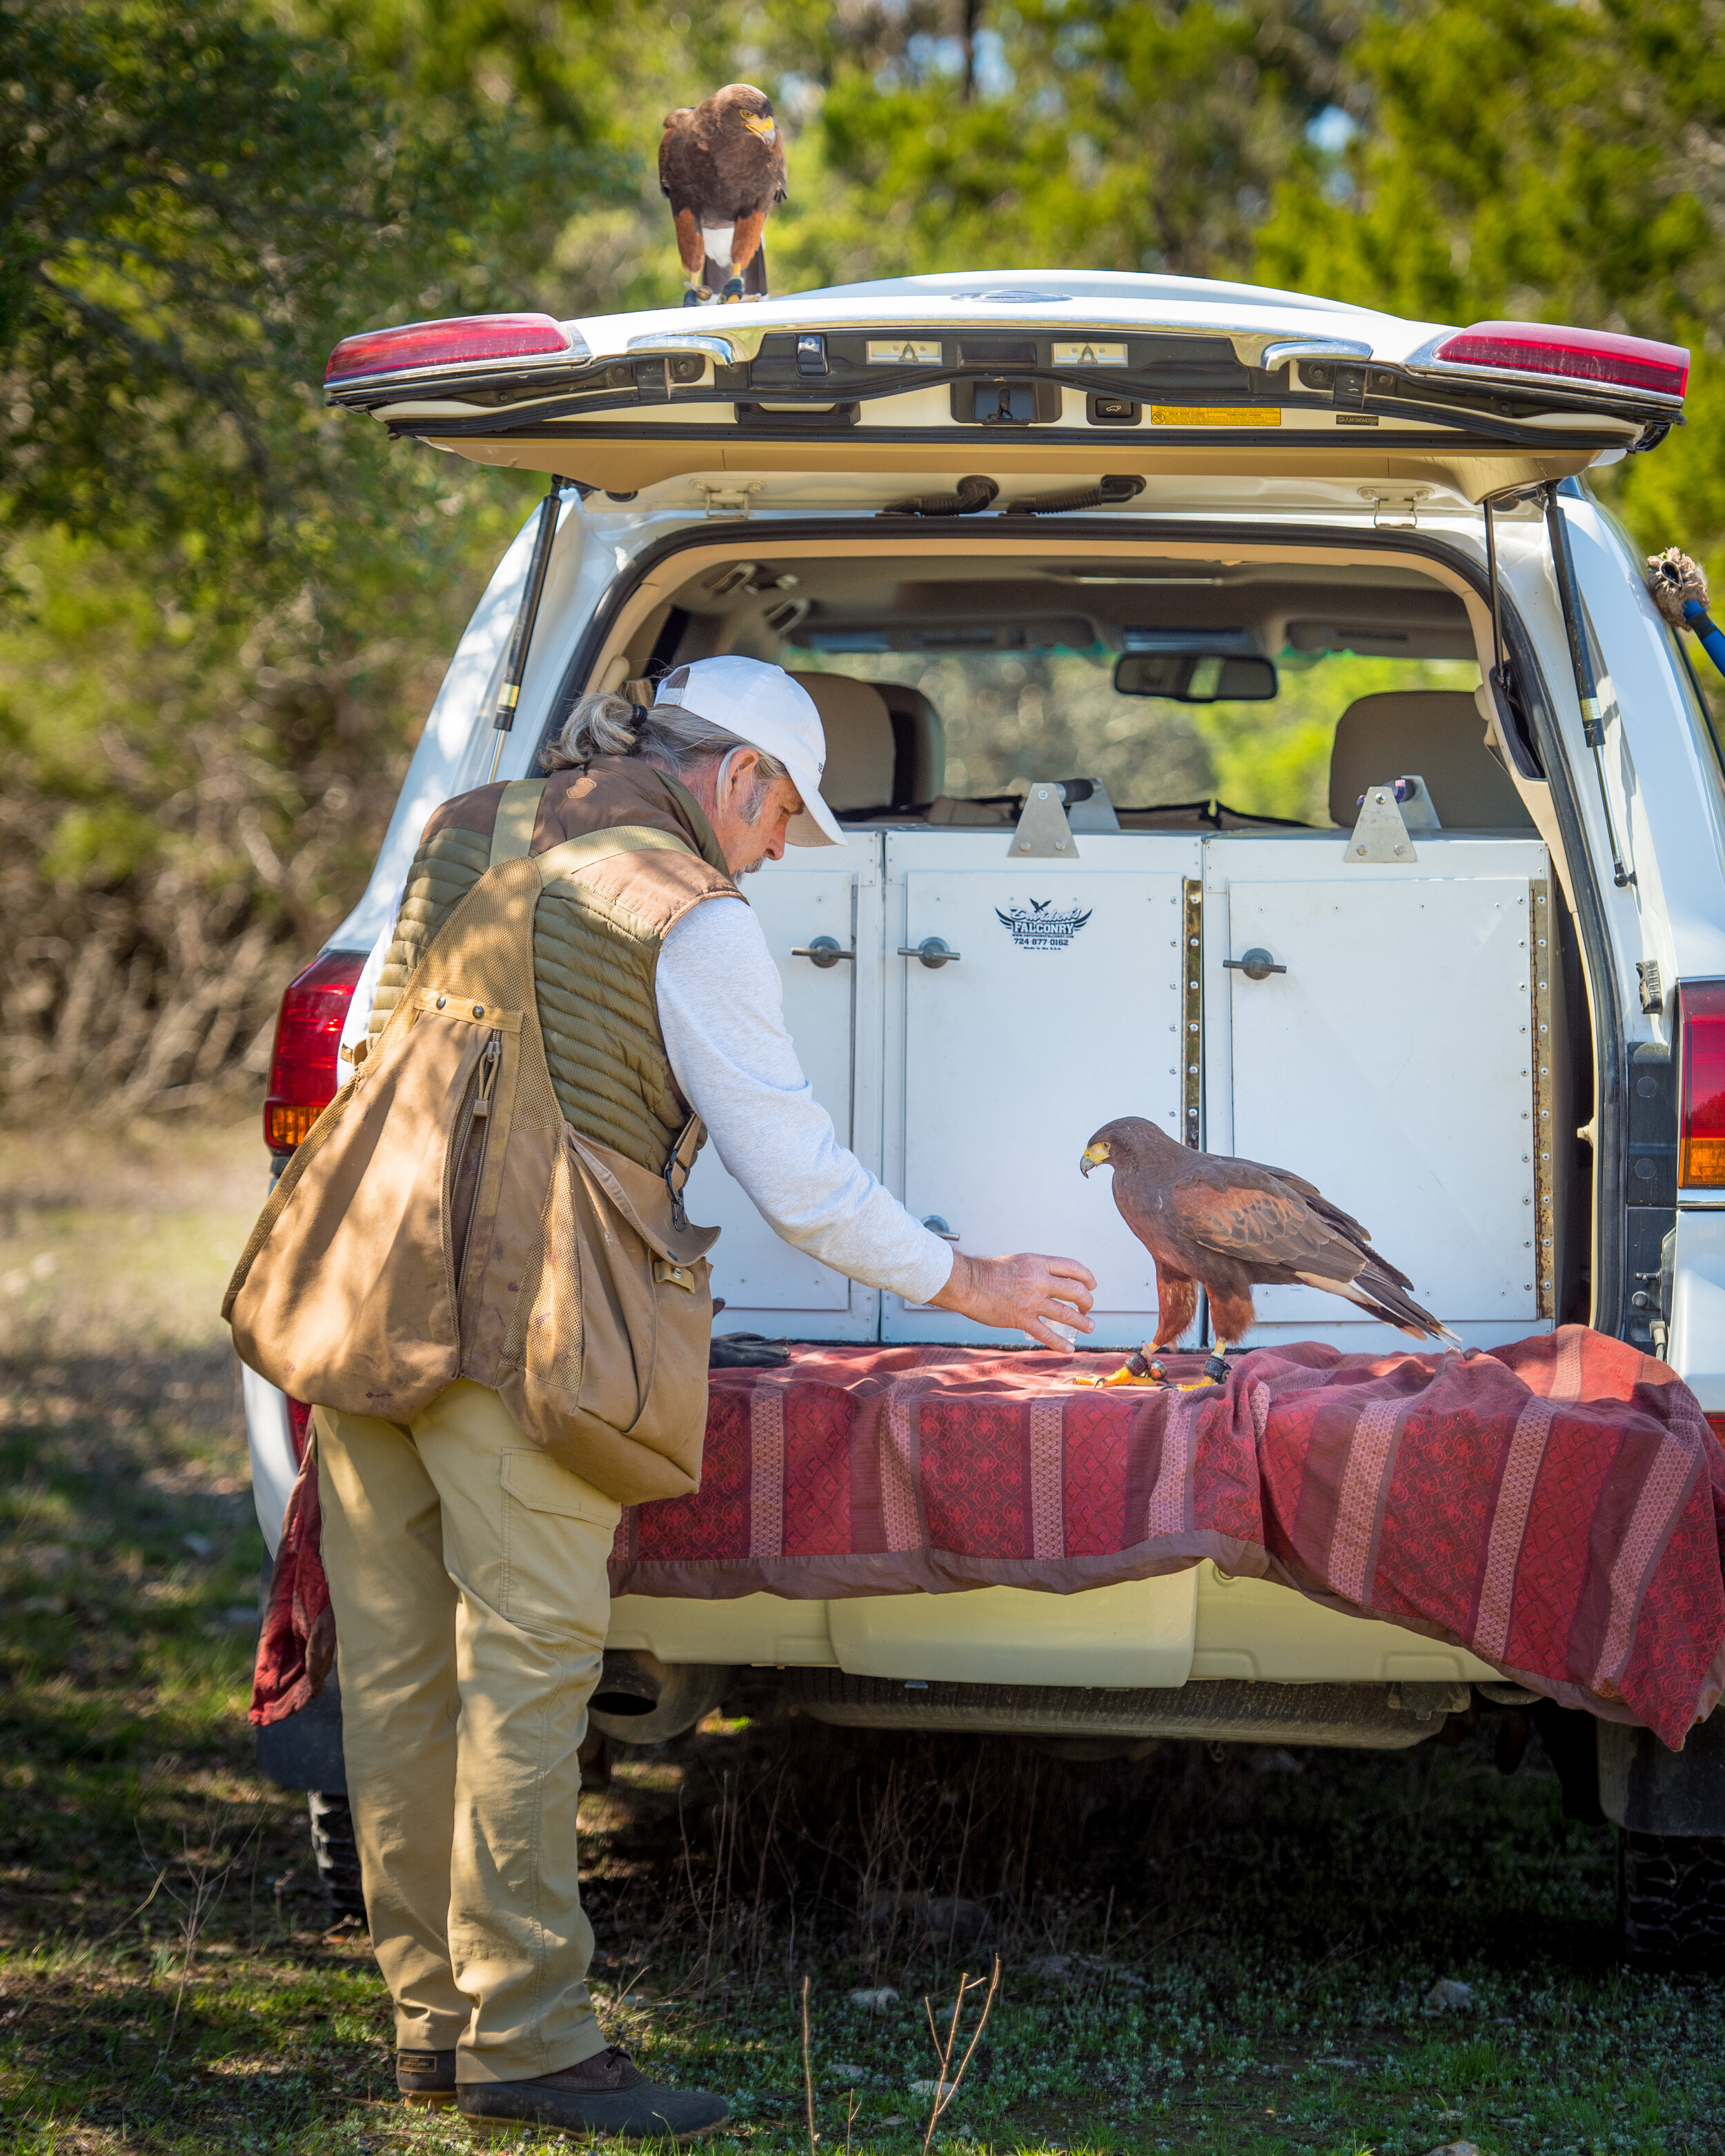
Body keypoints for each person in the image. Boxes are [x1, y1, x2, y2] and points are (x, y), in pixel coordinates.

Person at [313, 657, 1096, 2138]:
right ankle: (530, 2043)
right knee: (527, 1677)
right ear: (738, 777)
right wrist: (965, 1280)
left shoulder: (463, 829)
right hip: (521, 1328)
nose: (783, 850)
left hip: (363, 1297)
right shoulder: (690, 912)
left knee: (405, 1677)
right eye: (787, 814)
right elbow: (795, 1181)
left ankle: (433, 2026)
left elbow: (366, 1061)